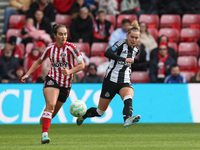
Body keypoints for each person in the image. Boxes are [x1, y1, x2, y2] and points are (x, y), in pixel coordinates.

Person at [21, 24, 85, 144]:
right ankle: (44, 135)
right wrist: (27, 73)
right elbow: (39, 61)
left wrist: (69, 71)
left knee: (53, 112)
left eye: (65, 34)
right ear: (55, 35)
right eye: (60, 34)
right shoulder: (50, 49)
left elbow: (82, 65)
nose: (63, 36)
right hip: (52, 79)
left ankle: (45, 117)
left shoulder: (72, 48)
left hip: (66, 84)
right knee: (50, 105)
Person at [76, 20, 141, 128]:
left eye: (136, 38)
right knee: (100, 112)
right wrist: (123, 59)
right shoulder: (120, 44)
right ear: (127, 35)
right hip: (110, 81)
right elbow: (108, 52)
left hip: (124, 81)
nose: (134, 40)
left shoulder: (136, 50)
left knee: (128, 98)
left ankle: (127, 120)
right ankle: (84, 116)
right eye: (132, 37)